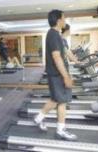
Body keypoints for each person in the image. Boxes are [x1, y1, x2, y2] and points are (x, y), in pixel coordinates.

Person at [33, 10, 77, 141]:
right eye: (64, 18)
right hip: (57, 74)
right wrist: (66, 76)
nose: (65, 21)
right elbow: (57, 57)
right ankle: (60, 130)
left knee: (57, 99)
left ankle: (39, 118)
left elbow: (62, 55)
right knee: (61, 101)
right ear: (58, 20)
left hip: (56, 74)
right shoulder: (54, 35)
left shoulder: (54, 34)